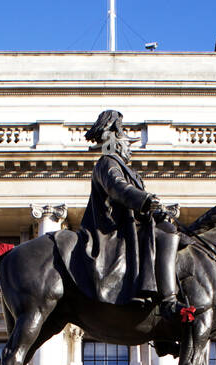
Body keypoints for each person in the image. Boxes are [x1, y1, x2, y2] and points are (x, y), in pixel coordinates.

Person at [69, 109, 183, 319]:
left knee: (173, 231)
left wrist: (157, 212)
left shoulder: (126, 169)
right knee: (167, 236)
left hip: (131, 226)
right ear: (118, 142)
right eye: (128, 143)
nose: (130, 148)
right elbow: (117, 188)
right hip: (114, 231)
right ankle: (168, 301)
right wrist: (145, 200)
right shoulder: (108, 163)